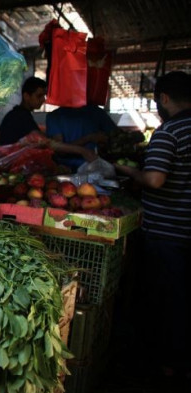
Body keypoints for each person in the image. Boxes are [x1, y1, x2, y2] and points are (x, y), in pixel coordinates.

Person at [113, 71, 191, 386]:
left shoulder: (169, 131)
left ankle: (169, 368)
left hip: (168, 234)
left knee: (168, 301)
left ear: (164, 99)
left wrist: (123, 169)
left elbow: (155, 179)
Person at [0, 76, 98, 164]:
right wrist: (82, 150)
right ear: (26, 96)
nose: (43, 100)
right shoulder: (20, 116)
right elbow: (48, 143)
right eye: (39, 96)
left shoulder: (17, 114)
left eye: (44, 96)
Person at [46, 102, 119, 171]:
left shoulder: (97, 112)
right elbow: (60, 150)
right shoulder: (55, 116)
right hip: (65, 168)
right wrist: (89, 138)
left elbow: (115, 137)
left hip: (94, 166)